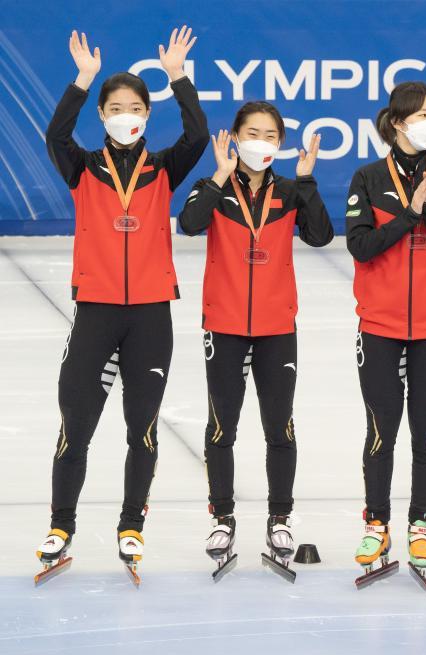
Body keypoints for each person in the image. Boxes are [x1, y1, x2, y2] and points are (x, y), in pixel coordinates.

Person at [36, 26, 207, 581]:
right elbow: (55, 135)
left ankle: (132, 524)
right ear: (102, 114)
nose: (125, 115)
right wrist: (83, 80)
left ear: (147, 114)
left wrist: (178, 77)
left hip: (151, 314)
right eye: (115, 108)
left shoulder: (165, 168)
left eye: (134, 108)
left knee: (143, 428)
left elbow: (199, 135)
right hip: (97, 310)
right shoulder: (83, 167)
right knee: (76, 424)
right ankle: (61, 526)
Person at [178, 102, 333, 580]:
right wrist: (220, 175)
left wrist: (306, 181)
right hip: (223, 324)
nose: (260, 143)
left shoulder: (288, 191)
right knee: (221, 426)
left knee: (279, 427)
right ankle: (222, 519)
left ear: (280, 143)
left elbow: (321, 236)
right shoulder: (215, 187)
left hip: (276, 326)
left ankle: (280, 519)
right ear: (234, 137)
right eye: (252, 133)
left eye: (269, 136)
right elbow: (188, 223)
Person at [344, 81, 426, 584]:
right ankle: (376, 524)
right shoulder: (368, 178)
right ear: (397, 122)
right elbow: (361, 246)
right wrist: (410, 213)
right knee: (381, 431)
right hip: (380, 322)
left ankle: (421, 523)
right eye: (421, 114)